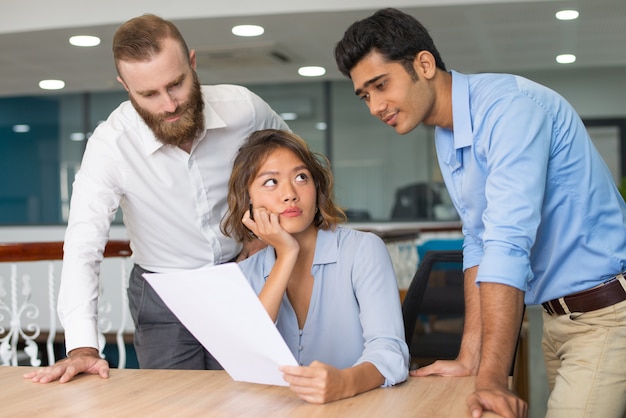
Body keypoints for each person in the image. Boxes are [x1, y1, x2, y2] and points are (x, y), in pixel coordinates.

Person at [334, 7, 626, 418]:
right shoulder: (446, 131)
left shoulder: (509, 109)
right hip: (557, 319)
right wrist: (471, 356)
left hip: (606, 317)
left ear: (424, 64)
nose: (375, 106)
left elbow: (507, 242)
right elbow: (478, 238)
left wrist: (492, 376)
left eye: (381, 85)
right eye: (365, 95)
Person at [24, 14, 288, 384]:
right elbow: (83, 245)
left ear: (192, 63)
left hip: (243, 276)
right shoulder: (111, 145)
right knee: (172, 402)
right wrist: (83, 347)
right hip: (163, 291)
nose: (168, 105)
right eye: (148, 94)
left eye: (176, 84)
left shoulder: (244, 109)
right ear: (125, 86)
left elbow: (294, 170)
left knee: (252, 393)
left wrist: (263, 235)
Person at [221, 129, 409, 403]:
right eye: (271, 182)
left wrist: (345, 382)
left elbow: (390, 352)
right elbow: (245, 360)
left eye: (301, 177)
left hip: (360, 407)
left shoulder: (362, 250)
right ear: (248, 198)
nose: (289, 194)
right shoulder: (245, 274)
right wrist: (286, 255)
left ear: (316, 187)